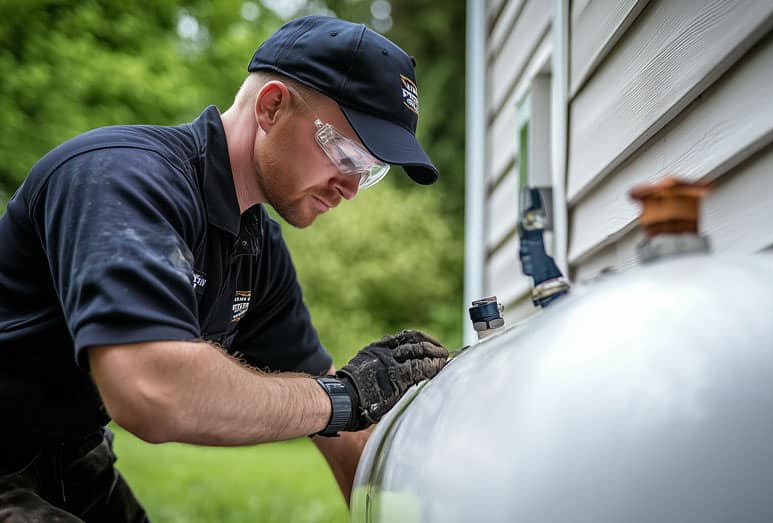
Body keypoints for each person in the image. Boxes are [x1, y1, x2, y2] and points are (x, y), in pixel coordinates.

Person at [0, 15, 450, 521]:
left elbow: (342, 429)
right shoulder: (121, 177)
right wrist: (341, 398)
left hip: (68, 455)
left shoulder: (257, 250)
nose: (348, 188)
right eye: (345, 154)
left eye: (368, 172)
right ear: (272, 106)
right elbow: (150, 390)